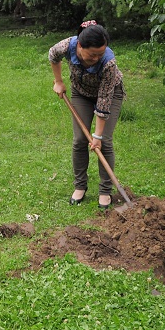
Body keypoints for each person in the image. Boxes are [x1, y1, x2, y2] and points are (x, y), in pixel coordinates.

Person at [49, 21, 124, 210]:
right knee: (80, 140)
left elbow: (104, 101)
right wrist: (58, 81)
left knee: (104, 141)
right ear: (80, 46)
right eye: (92, 54)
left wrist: (97, 136)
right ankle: (80, 186)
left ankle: (105, 191)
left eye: (100, 54)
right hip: (81, 93)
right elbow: (53, 55)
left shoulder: (109, 63)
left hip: (110, 94)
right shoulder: (67, 46)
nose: (96, 58)